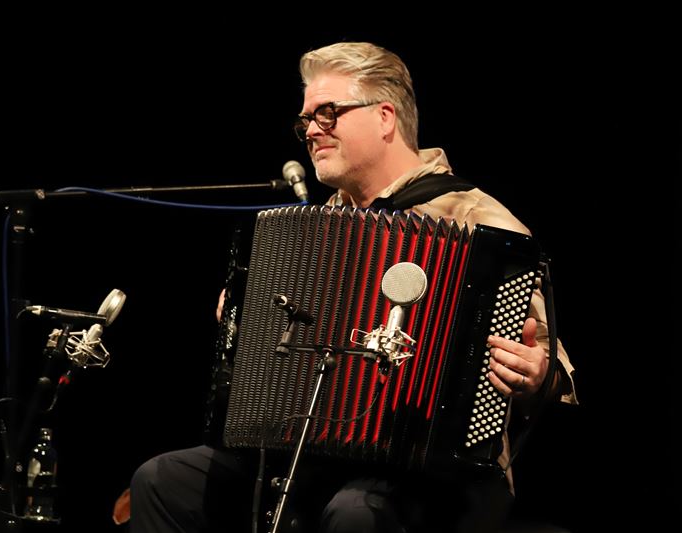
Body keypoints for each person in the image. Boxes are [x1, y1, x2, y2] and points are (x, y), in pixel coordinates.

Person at [128, 41, 578, 533]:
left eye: (328, 113)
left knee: (355, 516)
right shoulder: (314, 229)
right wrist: (242, 318)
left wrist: (537, 372)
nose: (312, 131)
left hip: (437, 471)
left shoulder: (483, 225)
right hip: (311, 454)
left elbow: (552, 367)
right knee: (162, 480)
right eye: (306, 121)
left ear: (385, 117)